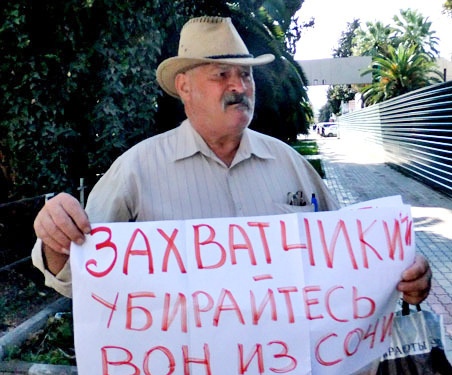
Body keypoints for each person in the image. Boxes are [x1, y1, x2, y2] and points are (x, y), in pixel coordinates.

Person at [32, 16, 431, 304]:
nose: (239, 86)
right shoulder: (135, 171)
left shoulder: (291, 165)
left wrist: (403, 274)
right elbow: (73, 278)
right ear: (185, 88)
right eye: (222, 74)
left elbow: (347, 262)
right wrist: (55, 237)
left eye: (246, 74)